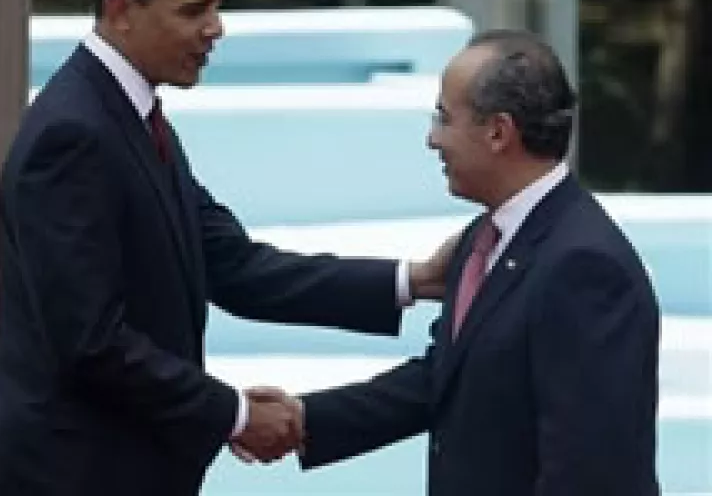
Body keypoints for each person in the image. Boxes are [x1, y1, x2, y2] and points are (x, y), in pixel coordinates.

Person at [0, 0, 454, 496]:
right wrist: (234, 413)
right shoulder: (75, 135)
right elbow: (91, 342)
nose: (216, 29)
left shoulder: (132, 118)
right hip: (57, 472)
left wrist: (414, 280)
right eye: (193, 11)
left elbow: (234, 266)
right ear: (120, 11)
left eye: (216, 6)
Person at [265, 29, 660, 495]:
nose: (433, 140)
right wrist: (306, 418)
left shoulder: (584, 266)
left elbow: (590, 471)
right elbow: (447, 378)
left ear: (498, 132)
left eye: (444, 118)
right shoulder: (490, 237)